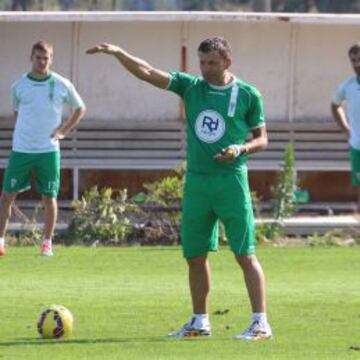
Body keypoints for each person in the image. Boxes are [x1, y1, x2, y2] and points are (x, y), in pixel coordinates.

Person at [86, 36, 272, 340]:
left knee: (244, 254)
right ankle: (200, 322)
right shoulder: (191, 86)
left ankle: (261, 323)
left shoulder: (249, 94)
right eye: (202, 62)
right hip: (197, 182)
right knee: (195, 255)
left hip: (231, 181)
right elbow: (146, 72)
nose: (206, 68)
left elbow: (262, 138)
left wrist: (240, 149)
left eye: (212, 62)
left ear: (228, 61)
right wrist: (119, 52)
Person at [0, 41, 86, 257]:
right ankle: (0, 242)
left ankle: (46, 243)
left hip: (48, 150)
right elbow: (18, 114)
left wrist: (63, 131)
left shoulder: (61, 84)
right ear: (31, 57)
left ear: (51, 59)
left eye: (46, 58)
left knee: (49, 198)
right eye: (38, 57)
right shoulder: (19, 86)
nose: (42, 61)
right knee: (6, 196)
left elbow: (80, 108)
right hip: (21, 150)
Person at [331, 43, 360, 209]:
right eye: (353, 60)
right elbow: (335, 105)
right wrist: (346, 129)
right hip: (357, 146)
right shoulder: (347, 86)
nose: (357, 64)